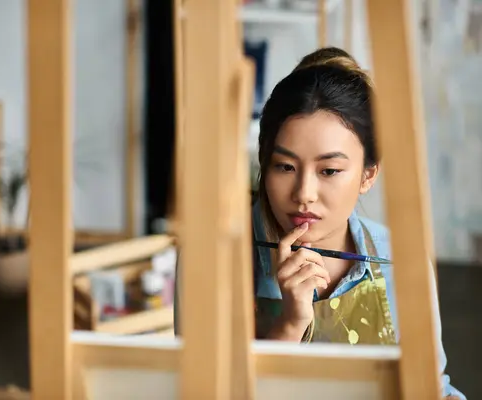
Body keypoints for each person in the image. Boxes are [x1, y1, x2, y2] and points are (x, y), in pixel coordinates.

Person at [173, 46, 465, 399]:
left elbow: (432, 386)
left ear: (368, 174)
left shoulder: (398, 257)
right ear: (264, 163)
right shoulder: (210, 256)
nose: (304, 193)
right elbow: (204, 392)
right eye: (285, 167)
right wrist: (291, 322)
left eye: (329, 170)